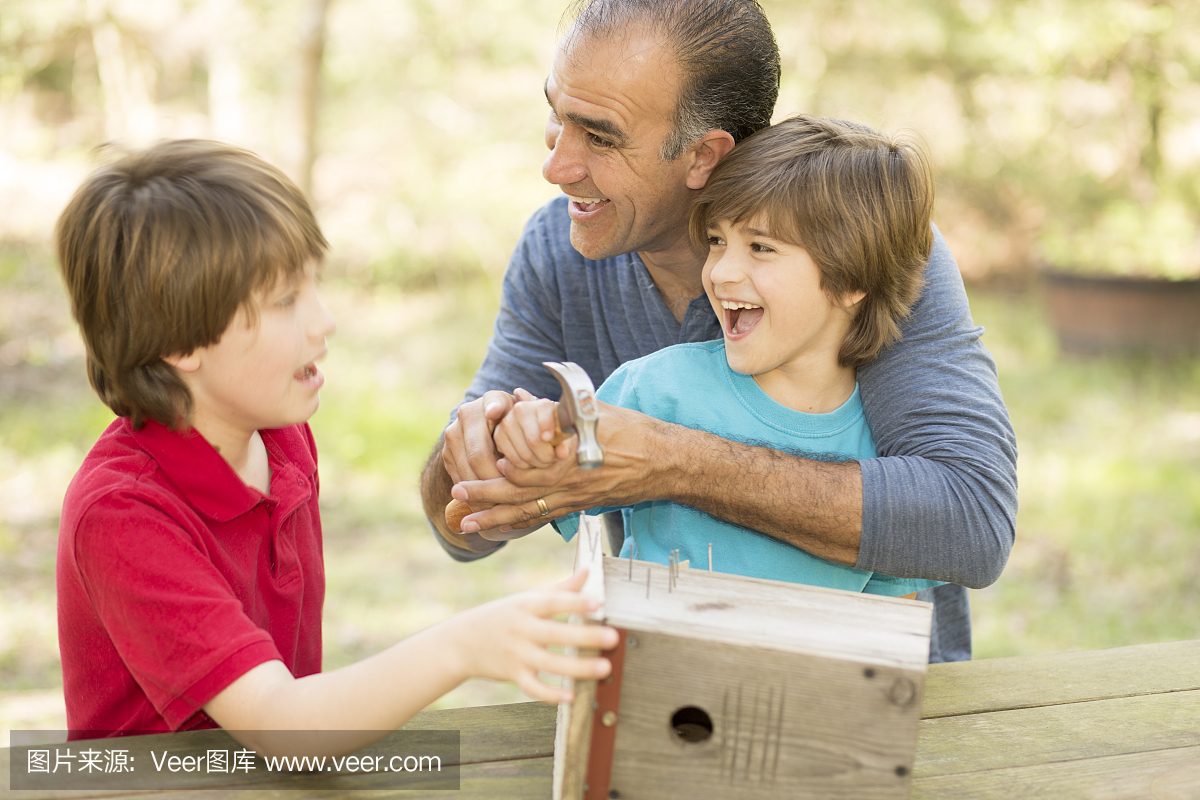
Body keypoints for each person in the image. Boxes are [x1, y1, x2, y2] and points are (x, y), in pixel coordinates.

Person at [420, 0, 1018, 662]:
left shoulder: (863, 245)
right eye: (557, 119)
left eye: (601, 138)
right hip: (677, 699)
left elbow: (972, 522)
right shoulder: (556, 252)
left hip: (881, 704)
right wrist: (472, 460)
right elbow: (459, 530)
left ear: (703, 156)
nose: (556, 167)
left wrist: (669, 463)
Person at [53, 140, 616, 755]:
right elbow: (280, 725)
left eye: (313, 286)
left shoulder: (281, 439)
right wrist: (463, 646)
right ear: (180, 342)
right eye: (285, 301)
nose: (325, 322)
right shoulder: (123, 515)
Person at [495, 114, 945, 599]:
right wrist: (529, 438)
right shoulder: (653, 388)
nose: (721, 272)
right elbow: (523, 498)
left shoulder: (891, 448)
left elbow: (892, 624)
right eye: (717, 241)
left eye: (761, 247)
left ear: (852, 277)